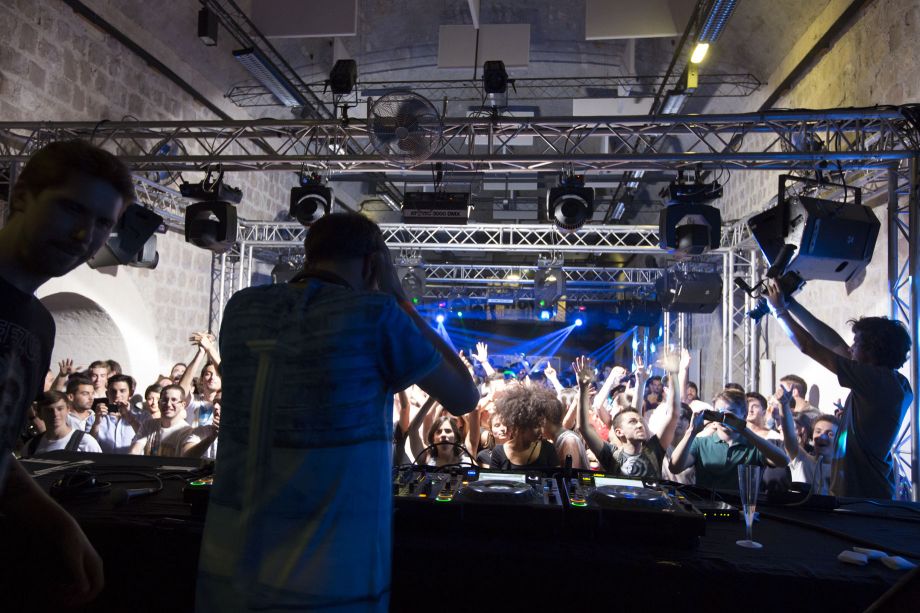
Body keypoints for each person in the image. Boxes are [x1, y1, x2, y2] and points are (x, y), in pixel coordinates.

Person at [196, 212, 478, 613]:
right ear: (372, 264)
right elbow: (464, 395)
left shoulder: (241, 308)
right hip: (328, 578)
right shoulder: (376, 314)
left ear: (310, 254)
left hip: (230, 569)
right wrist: (399, 297)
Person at [0, 139, 132, 606]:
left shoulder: (38, 325)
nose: (84, 235)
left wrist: (58, 521)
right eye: (71, 209)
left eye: (103, 223)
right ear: (21, 197)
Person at [766, 281, 912, 499]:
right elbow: (833, 344)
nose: (850, 348)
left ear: (873, 350)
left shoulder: (875, 381)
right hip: (863, 493)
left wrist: (779, 311)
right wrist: (791, 304)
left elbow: (809, 346)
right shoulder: (892, 382)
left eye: (856, 343)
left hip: (863, 497)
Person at [576, 353, 680, 479]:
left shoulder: (653, 451)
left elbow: (674, 414)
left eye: (640, 421)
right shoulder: (612, 454)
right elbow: (584, 428)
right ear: (619, 432)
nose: (640, 425)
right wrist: (583, 388)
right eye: (632, 422)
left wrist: (674, 374)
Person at [669, 389, 791, 491]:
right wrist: (691, 432)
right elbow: (675, 467)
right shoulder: (701, 443)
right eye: (718, 412)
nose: (723, 417)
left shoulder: (754, 446)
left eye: (730, 412)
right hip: (707, 507)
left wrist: (742, 429)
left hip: (742, 508)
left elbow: (783, 461)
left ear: (744, 415)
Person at [488, 385, 559, 470]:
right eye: (535, 426)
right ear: (521, 426)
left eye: (541, 425)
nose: (540, 431)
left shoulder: (548, 449)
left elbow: (556, 476)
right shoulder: (498, 452)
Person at [22, 391, 103, 457]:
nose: (55, 414)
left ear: (68, 409)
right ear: (39, 414)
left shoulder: (85, 442)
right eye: (49, 410)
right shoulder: (31, 446)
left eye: (60, 409)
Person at [129, 384, 199, 457]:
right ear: (159, 403)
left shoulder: (187, 432)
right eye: (165, 400)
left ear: (183, 405)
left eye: (174, 400)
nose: (168, 404)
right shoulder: (148, 425)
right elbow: (134, 451)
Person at [91, 374, 144, 454]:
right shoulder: (94, 418)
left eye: (122, 391)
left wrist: (131, 419)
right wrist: (97, 423)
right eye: (113, 391)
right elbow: (89, 446)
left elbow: (148, 441)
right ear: (107, 394)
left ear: (131, 393)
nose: (117, 395)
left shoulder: (143, 416)